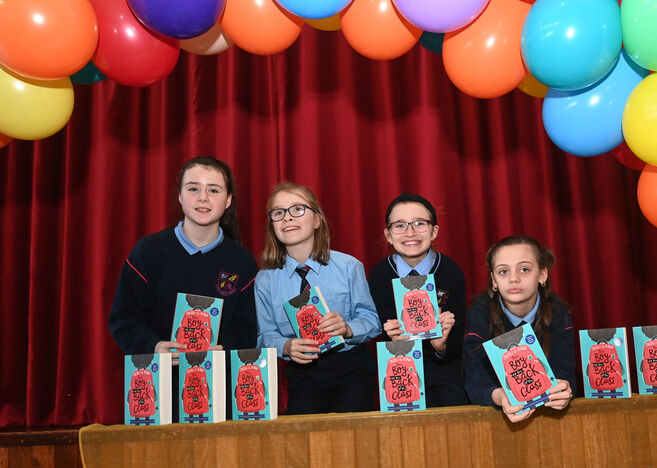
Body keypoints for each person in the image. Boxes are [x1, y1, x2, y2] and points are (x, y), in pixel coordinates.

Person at [109, 156, 258, 355]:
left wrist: (223, 351)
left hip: (217, 381)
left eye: (213, 190)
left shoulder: (243, 262)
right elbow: (123, 319)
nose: (203, 197)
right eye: (193, 188)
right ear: (180, 195)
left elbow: (247, 330)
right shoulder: (148, 250)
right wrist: (153, 346)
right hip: (156, 379)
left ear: (228, 200)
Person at [255, 181, 381, 414]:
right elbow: (265, 335)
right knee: (302, 437)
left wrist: (347, 328)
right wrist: (287, 345)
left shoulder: (349, 266)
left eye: (297, 209)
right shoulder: (265, 280)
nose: (288, 218)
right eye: (278, 213)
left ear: (316, 220)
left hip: (351, 368)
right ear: (272, 225)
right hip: (303, 373)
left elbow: (372, 321)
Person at [368, 192, 468, 406]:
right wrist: (391, 338)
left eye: (419, 223)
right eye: (400, 225)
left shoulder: (451, 272)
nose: (410, 232)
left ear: (434, 231)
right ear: (388, 234)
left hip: (444, 370)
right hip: (398, 371)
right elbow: (378, 336)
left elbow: (456, 344)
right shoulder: (379, 275)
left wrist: (441, 346)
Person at [463, 235, 576, 422]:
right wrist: (500, 397)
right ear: (493, 280)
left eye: (524, 269)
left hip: (548, 416)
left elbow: (564, 369)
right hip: (496, 415)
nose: (513, 279)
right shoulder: (480, 313)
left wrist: (563, 389)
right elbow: (475, 376)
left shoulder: (558, 311)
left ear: (542, 275)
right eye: (503, 272)